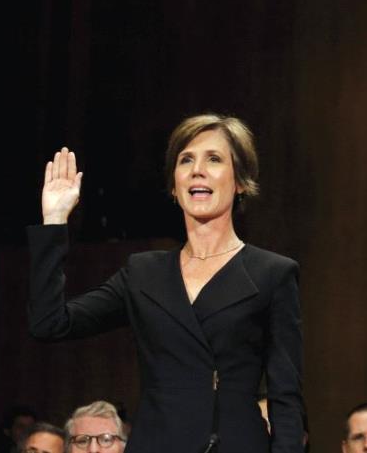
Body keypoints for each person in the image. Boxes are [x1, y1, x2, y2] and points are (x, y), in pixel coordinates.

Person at [27, 114, 304, 452]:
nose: (197, 170)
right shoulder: (144, 272)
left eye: (213, 159)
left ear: (241, 181)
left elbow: (285, 398)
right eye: (185, 160)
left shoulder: (272, 273)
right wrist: (54, 221)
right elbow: (49, 323)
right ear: (175, 185)